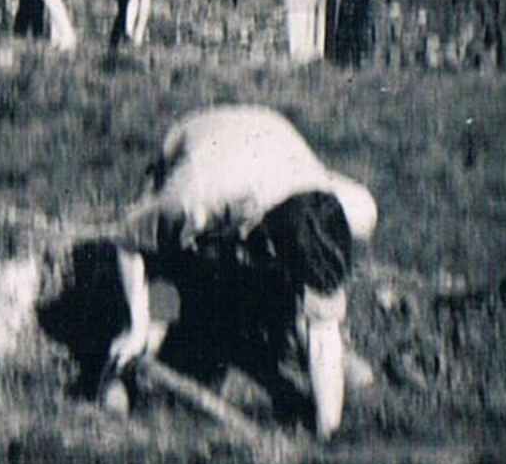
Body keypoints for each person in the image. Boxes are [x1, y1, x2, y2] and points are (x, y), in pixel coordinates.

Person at [102, 105, 378, 440]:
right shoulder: (193, 197)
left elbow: (321, 295)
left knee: (313, 320)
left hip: (270, 145)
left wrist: (328, 434)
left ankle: (312, 358)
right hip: (205, 148)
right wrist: (137, 323)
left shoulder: (332, 204)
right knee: (162, 284)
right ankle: (120, 379)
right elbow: (129, 238)